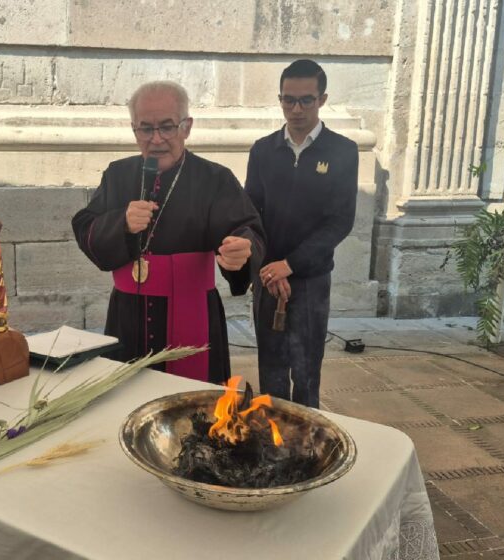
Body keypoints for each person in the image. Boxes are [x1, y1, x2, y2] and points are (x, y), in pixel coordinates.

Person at [72, 81, 264, 383]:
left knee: (191, 410)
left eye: (167, 127)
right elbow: (85, 226)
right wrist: (119, 222)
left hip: (192, 314)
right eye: (145, 129)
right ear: (134, 130)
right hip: (128, 317)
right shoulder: (118, 174)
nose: (157, 139)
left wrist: (242, 249)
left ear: (186, 127)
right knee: (125, 402)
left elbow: (247, 228)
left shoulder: (215, 178)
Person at [245, 59, 358, 408]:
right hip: (267, 278)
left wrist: (290, 265)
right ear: (280, 99)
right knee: (271, 367)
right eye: (288, 100)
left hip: (310, 281)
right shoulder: (263, 150)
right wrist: (267, 268)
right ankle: (273, 439)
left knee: (306, 370)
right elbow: (250, 216)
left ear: (322, 99)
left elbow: (339, 221)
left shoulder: (342, 151)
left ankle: (306, 444)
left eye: (306, 100)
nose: (296, 109)